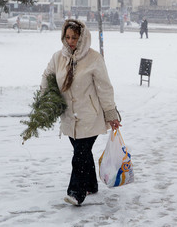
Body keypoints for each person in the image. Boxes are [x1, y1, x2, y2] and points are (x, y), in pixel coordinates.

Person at [40, 19, 121, 206]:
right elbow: (48, 75)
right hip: (69, 116)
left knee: (80, 154)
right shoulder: (58, 58)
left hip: (89, 117)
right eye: (67, 37)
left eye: (74, 38)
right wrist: (46, 97)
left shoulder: (94, 59)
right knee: (82, 153)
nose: (70, 41)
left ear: (82, 38)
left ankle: (76, 192)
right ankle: (91, 185)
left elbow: (104, 88)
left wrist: (111, 114)